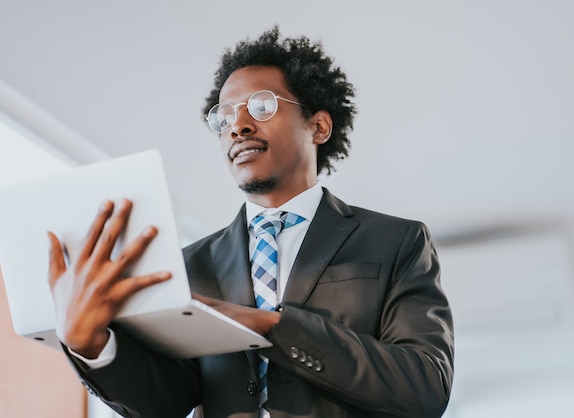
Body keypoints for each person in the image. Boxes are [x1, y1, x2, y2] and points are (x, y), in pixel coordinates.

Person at [47, 26, 454, 418]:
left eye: (262, 106)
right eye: (223, 118)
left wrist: (272, 325)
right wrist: (93, 345)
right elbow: (165, 402)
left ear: (319, 126)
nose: (237, 126)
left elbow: (425, 386)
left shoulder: (396, 241)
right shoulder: (189, 265)